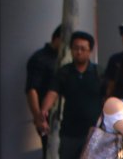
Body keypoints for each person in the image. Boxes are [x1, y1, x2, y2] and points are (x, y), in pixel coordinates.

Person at [38, 30, 102, 159]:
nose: (79, 52)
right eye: (76, 48)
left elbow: (108, 97)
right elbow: (52, 93)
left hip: (94, 131)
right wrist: (44, 110)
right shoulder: (64, 72)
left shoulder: (99, 72)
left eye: (83, 49)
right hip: (70, 132)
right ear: (71, 49)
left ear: (90, 51)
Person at [26, 26, 63, 155]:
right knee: (50, 150)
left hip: (62, 116)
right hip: (48, 116)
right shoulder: (40, 59)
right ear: (57, 39)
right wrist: (38, 117)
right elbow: (32, 89)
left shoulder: (62, 59)